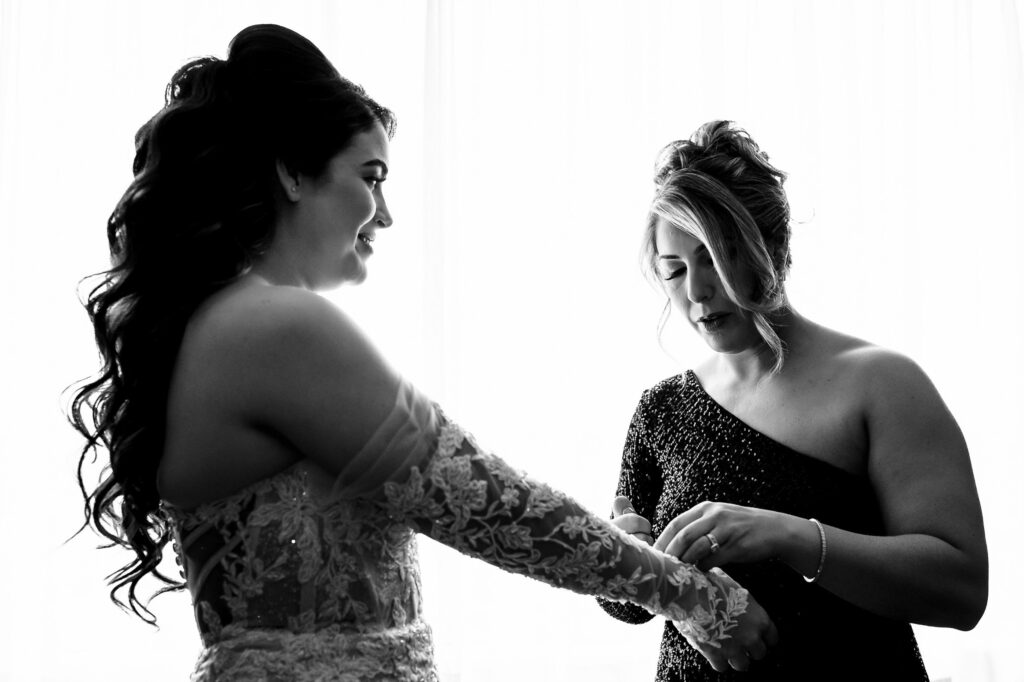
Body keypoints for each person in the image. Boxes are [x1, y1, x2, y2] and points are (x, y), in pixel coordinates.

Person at [68, 27, 777, 681]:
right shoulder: (275, 325)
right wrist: (692, 595)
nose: (386, 214)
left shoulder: (214, 324)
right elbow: (494, 507)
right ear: (291, 172)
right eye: (371, 177)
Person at [598, 120, 988, 680]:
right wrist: (621, 558)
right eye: (675, 270)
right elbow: (626, 605)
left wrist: (791, 535)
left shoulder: (881, 383)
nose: (698, 291)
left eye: (714, 256)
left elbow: (962, 590)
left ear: (771, 246)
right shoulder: (661, 410)